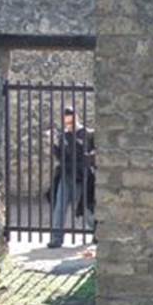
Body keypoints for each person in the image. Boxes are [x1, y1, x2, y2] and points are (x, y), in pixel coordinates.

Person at [48, 106, 96, 249]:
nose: (69, 125)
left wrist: (74, 139)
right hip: (66, 175)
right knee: (59, 207)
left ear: (77, 117)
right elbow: (61, 157)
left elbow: (89, 154)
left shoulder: (88, 133)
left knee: (86, 208)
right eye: (67, 123)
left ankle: (97, 233)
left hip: (83, 176)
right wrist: (53, 144)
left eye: (71, 122)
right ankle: (57, 238)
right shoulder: (64, 135)